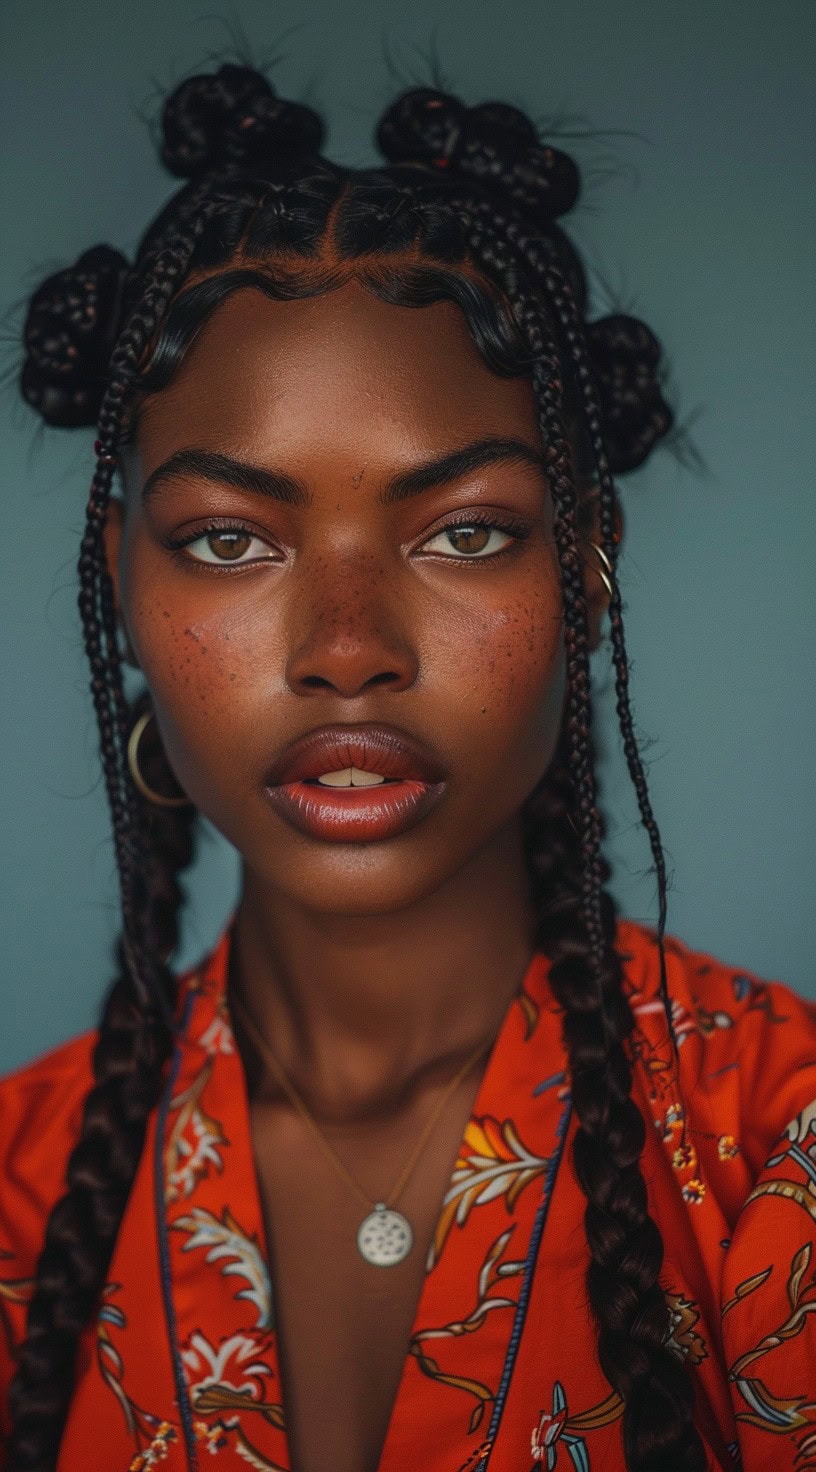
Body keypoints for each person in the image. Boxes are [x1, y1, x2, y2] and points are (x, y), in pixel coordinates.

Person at [1, 59, 815, 1472]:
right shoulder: (19, 1190)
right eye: (229, 542)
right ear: (123, 586)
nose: (348, 650)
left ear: (590, 566)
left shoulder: (775, 1150)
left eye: (464, 531)